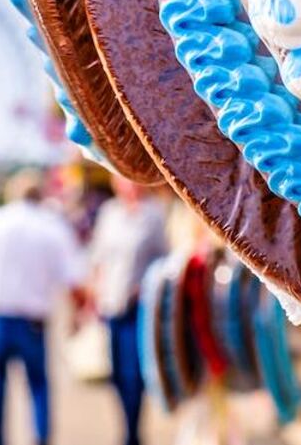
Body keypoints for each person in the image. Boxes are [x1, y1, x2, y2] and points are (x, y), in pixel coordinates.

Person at [0, 170, 86, 445]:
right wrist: (76, 314)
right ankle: (40, 437)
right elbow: (74, 276)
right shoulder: (52, 227)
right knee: (38, 384)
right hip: (32, 320)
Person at [87, 176, 169, 445]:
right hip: (110, 303)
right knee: (116, 374)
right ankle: (126, 426)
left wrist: (143, 287)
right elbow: (98, 256)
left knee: (134, 374)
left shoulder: (153, 216)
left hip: (138, 306)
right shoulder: (109, 213)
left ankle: (132, 434)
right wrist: (93, 294)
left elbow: (163, 259)